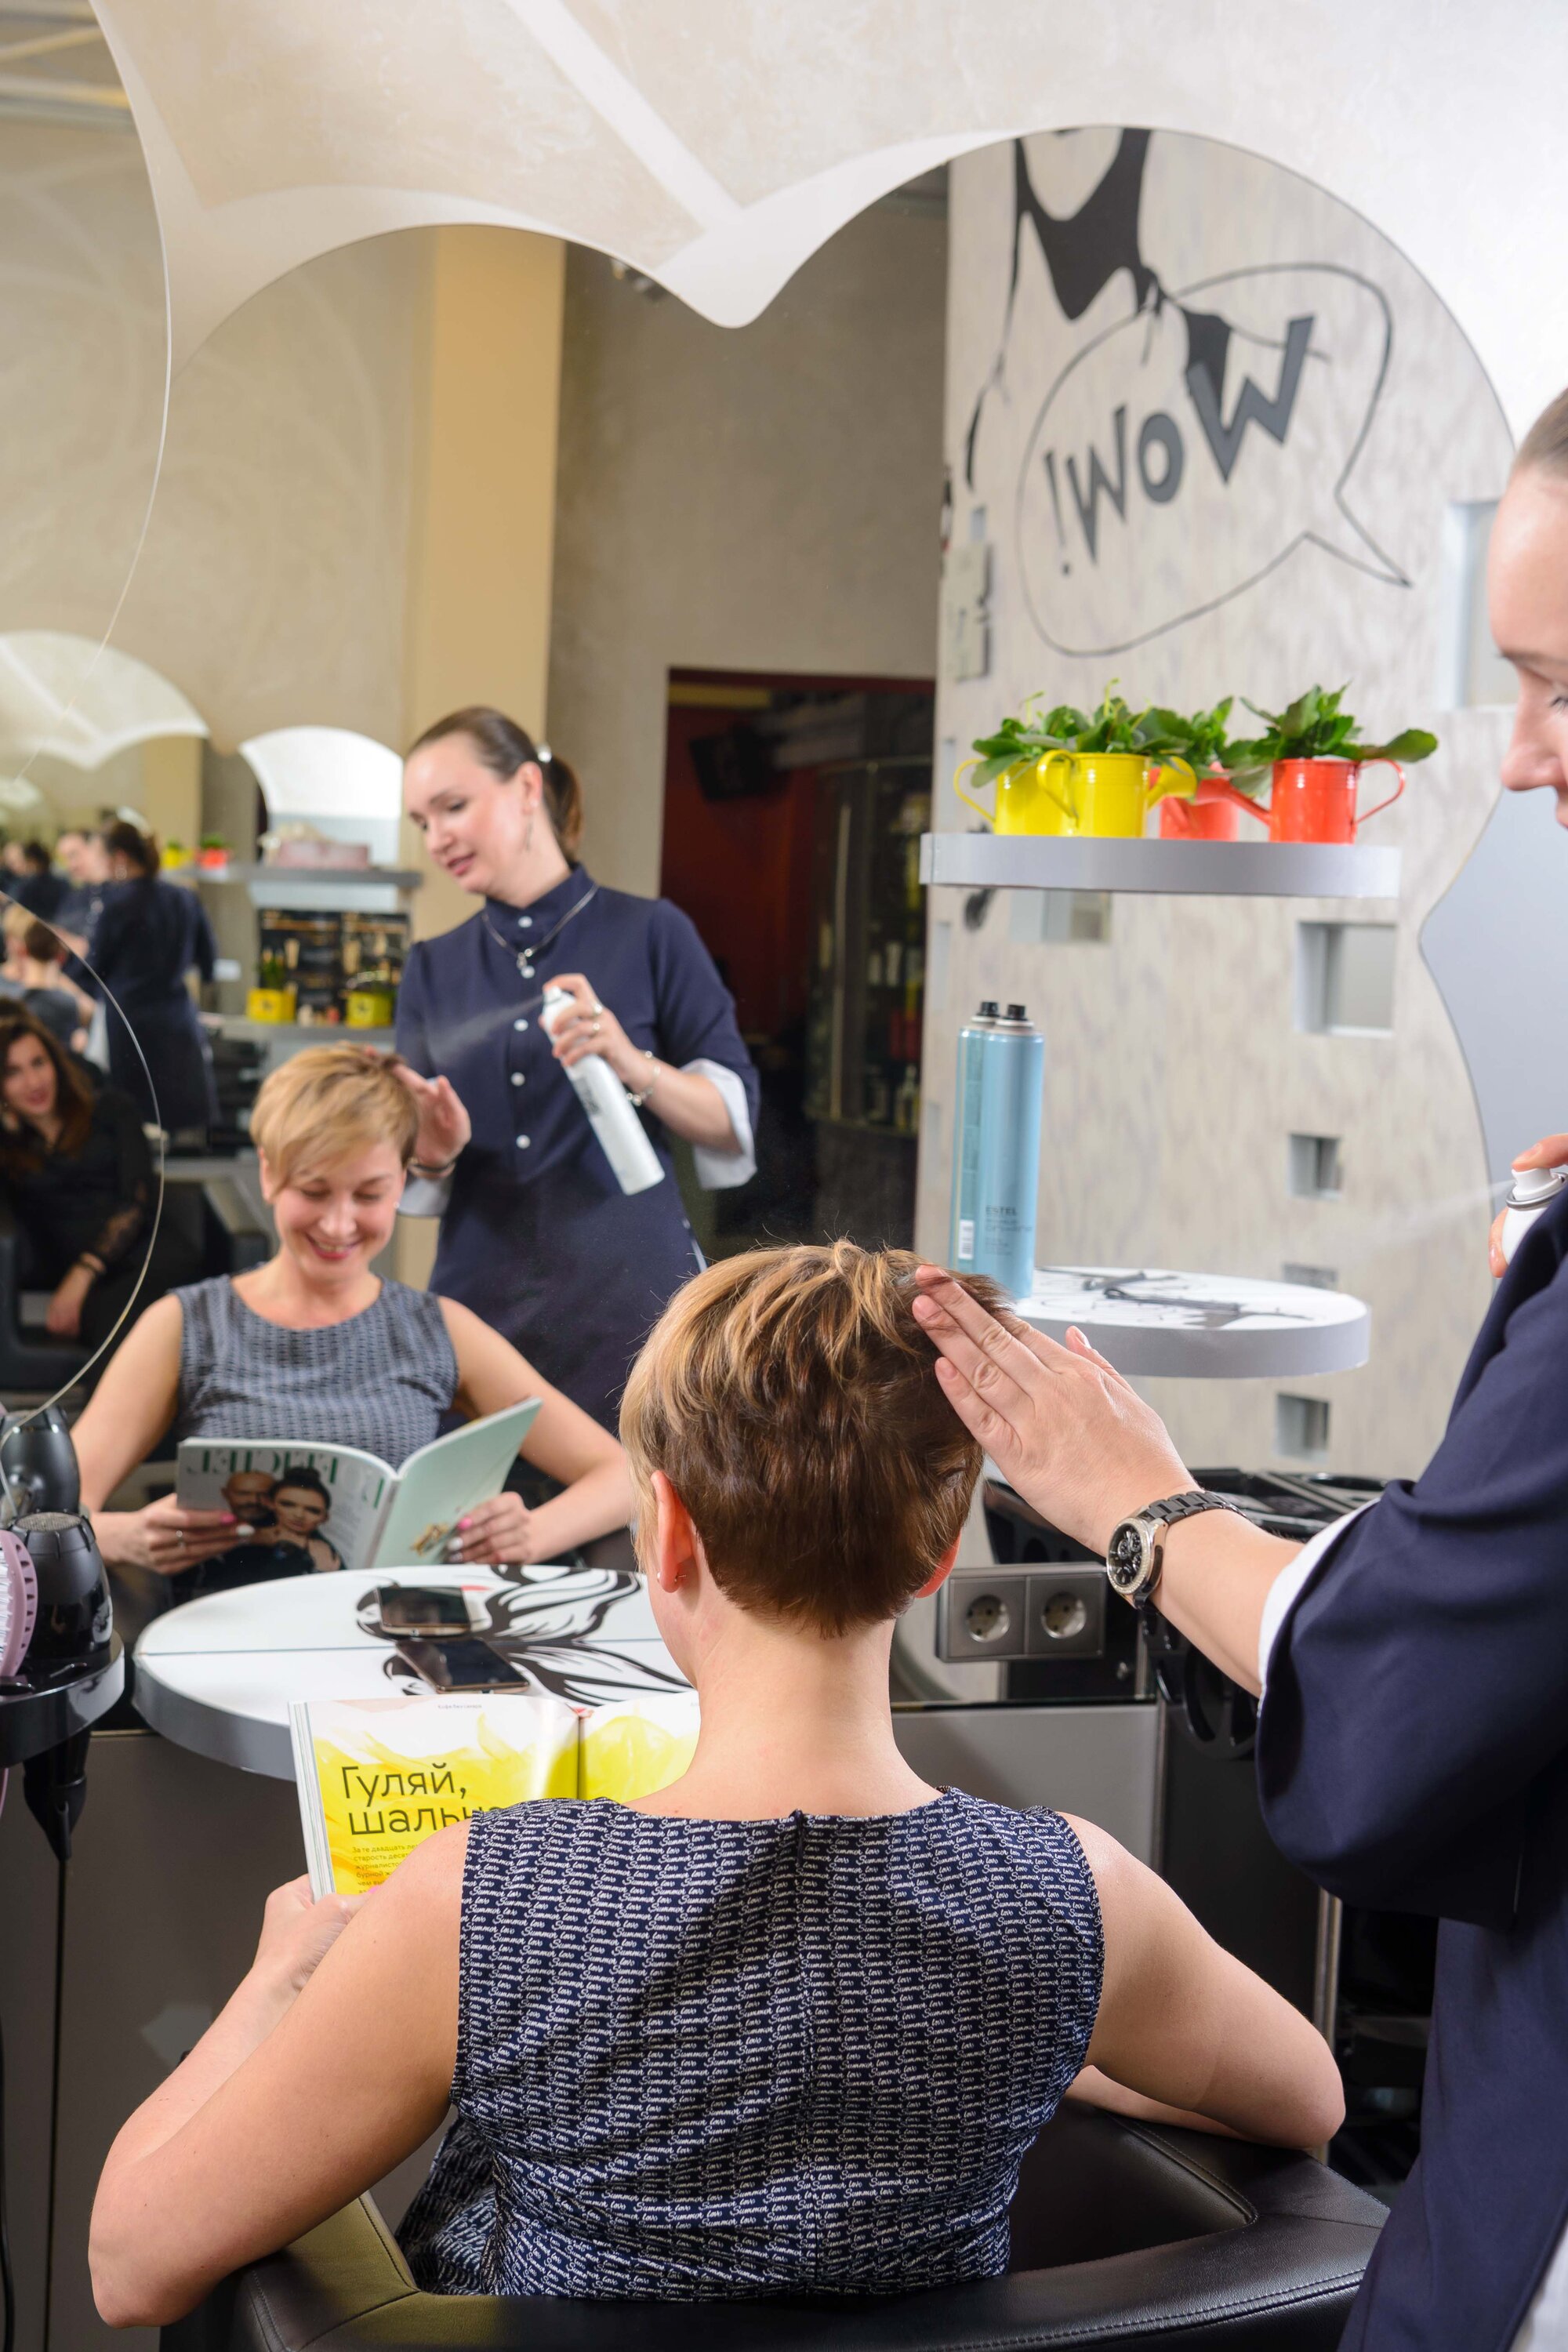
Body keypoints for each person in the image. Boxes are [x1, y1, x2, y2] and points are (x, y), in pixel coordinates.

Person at [89, 1240, 1341, 2328]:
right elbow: (1308, 2102)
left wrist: (274, 1983)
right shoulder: (1078, 1901)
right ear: (940, 1555)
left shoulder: (481, 1903)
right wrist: (1038, 2024)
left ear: (670, 1532)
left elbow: (131, 2263)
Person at [905, 387, 1568, 2352]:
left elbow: (1419, 1691)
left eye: (1550, 681)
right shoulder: (1056, 1902)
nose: (1523, 758)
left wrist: (1138, 1500)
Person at [72, 1044, 632, 1583]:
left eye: (368, 1195)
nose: (339, 1225)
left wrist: (532, 1534)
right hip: (228, 1649)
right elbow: (50, 1512)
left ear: (403, 1183)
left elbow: (625, 1477)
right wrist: (124, 1537)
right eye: (314, 1191)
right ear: (268, 1173)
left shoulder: (439, 1329)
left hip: (398, 1649)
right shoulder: (186, 1326)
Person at [396, 710, 760, 1428]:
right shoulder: (432, 968)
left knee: (634, 1525)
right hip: (481, 1310)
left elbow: (728, 1125)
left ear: (528, 787)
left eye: (454, 807)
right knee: (479, 1529)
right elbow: (413, 1172)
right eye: (421, 821)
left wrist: (628, 1060)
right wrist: (428, 1157)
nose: (437, 839)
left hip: (629, 1305)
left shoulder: (653, 934)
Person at [0, 1010, 201, 1356]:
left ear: (57, 1064)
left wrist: (82, 1274)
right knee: (114, 1333)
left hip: (149, 1258)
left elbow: (136, 1202)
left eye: (38, 1063)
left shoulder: (112, 1109)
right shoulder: (10, 1151)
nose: (33, 1082)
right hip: (97, 1287)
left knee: (119, 1334)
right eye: (13, 1073)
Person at [85, 818, 218, 1136]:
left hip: (130, 1022)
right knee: (176, 1120)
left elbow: (92, 966)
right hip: (176, 1018)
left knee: (132, 1123)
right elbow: (208, 962)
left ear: (119, 859)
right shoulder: (185, 898)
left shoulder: (116, 904)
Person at [216, 1465, 343, 1579]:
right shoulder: (252, 1530)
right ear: (271, 1504)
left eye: (313, 1510)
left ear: (324, 1517)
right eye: (287, 1504)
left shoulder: (324, 1552)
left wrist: (320, 1571)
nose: (299, 1515)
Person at [53, 825, 110, 951]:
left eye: (73, 855)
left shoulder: (118, 894)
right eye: (65, 859)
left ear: (95, 849)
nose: (70, 865)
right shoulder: (76, 895)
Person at [2, 838, 67, 923]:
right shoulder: (62, 881)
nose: (14, 867)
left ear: (31, 861)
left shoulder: (27, 885)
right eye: (11, 863)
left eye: (16, 861)